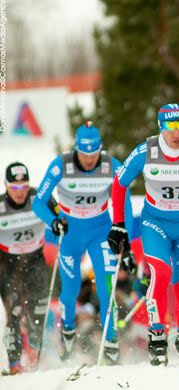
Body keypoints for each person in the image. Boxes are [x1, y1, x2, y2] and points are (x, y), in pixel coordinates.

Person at [108, 104, 179, 366]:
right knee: (161, 273)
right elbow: (119, 183)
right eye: (170, 127)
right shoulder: (147, 150)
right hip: (156, 225)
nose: (177, 133)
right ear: (160, 127)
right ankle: (157, 336)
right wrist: (119, 224)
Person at [33, 123, 132, 364]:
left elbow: (125, 201)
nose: (89, 160)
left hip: (100, 232)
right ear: (76, 149)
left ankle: (111, 340)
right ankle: (67, 329)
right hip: (70, 232)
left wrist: (124, 235)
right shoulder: (61, 165)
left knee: (106, 288)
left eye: (94, 154)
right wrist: (53, 221)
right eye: (84, 154)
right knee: (70, 291)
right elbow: (38, 202)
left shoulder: (111, 165)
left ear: (100, 149)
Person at [0, 163, 54, 373]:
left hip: (34, 260)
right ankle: (14, 363)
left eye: (24, 186)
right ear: (6, 186)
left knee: (39, 307)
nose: (19, 192)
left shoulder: (39, 198)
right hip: (8, 264)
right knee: (13, 311)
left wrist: (61, 223)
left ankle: (35, 346)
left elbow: (60, 215)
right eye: (14, 187)